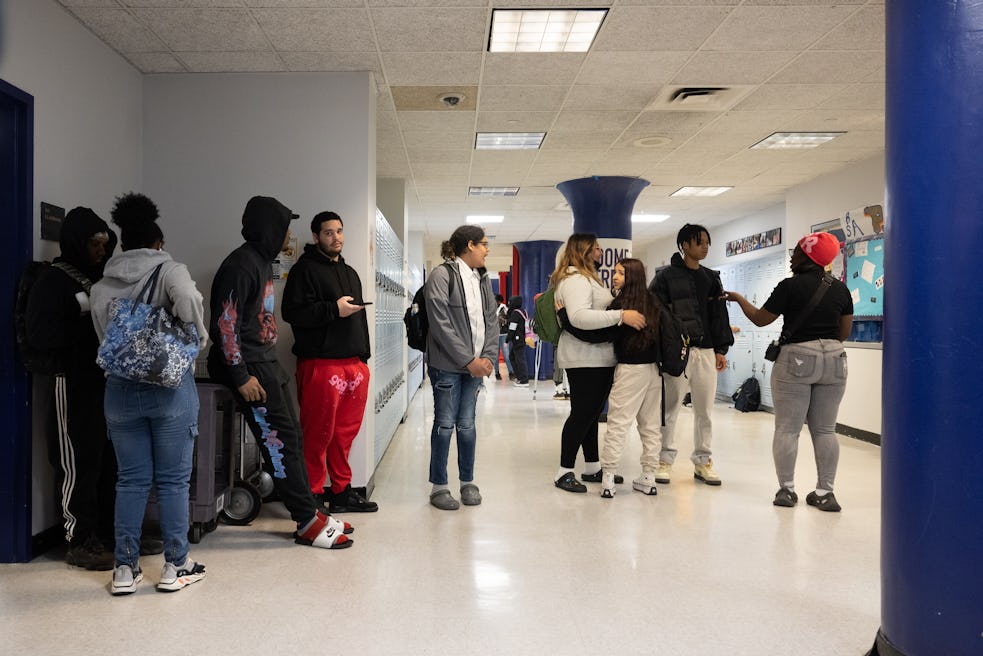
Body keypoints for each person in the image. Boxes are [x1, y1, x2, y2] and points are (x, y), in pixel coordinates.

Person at [207, 196, 352, 549]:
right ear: (270, 229)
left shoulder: (259, 262)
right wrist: (240, 375)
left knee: (293, 438)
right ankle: (305, 521)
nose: (289, 235)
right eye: (285, 228)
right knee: (279, 442)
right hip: (249, 365)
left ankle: (311, 511)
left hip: (264, 360)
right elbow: (225, 325)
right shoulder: (241, 265)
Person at [90, 192, 209, 595]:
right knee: (174, 481)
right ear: (158, 242)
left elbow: (104, 338)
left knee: (130, 480)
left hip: (120, 391)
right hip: (169, 390)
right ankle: (176, 565)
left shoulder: (103, 283)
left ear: (123, 244)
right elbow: (190, 301)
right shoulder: (170, 270)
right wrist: (197, 340)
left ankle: (125, 569)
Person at [724, 232, 852, 511]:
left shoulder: (789, 286)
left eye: (796, 252)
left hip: (797, 358)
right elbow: (844, 332)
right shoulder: (840, 290)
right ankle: (825, 492)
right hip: (834, 360)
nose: (791, 257)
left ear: (807, 256)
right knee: (826, 430)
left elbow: (760, 319)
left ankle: (787, 490)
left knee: (787, 429)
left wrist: (738, 299)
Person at [25, 207, 119, 570]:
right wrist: (86, 332)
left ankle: (109, 533)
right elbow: (40, 335)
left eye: (105, 242)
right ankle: (79, 539)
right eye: (94, 242)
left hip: (102, 384)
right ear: (77, 242)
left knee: (106, 462)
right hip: (72, 383)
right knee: (75, 463)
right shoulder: (53, 281)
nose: (101, 249)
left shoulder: (100, 279)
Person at [282, 211, 377, 513]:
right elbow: (292, 314)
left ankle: (340, 492)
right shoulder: (304, 271)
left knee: (344, 435)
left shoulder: (350, 273)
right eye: (328, 233)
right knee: (317, 435)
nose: (336, 237)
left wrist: (364, 357)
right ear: (315, 236)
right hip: (321, 365)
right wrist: (332, 310)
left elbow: (360, 319)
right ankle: (311, 497)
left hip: (353, 365)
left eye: (339, 231)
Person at [559, 258, 663, 498]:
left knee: (618, 423)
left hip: (629, 370)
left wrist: (565, 318)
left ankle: (608, 478)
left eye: (621, 273)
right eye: (615, 272)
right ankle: (649, 476)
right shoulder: (654, 302)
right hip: (654, 371)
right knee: (650, 425)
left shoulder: (622, 306)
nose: (615, 277)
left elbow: (598, 337)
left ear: (632, 278)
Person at [550, 234, 645, 493]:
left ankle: (592, 467)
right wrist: (621, 315)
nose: (601, 251)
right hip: (585, 358)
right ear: (584, 251)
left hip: (595, 357)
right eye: (596, 248)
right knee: (581, 415)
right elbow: (579, 317)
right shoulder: (576, 279)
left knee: (590, 415)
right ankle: (564, 472)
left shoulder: (586, 278)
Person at [650, 223, 734, 486]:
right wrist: (662, 351)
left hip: (706, 351)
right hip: (678, 352)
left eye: (707, 242)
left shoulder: (711, 277)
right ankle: (664, 460)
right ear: (685, 245)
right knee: (671, 408)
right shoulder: (665, 278)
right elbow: (655, 314)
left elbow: (719, 315)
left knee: (705, 410)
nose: (705, 246)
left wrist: (721, 349)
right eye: (700, 242)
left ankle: (703, 461)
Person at [424, 225, 498, 510]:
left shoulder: (481, 278)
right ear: (469, 245)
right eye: (483, 244)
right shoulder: (442, 275)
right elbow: (440, 323)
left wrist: (488, 357)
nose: (486, 249)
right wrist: (469, 361)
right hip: (448, 366)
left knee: (467, 425)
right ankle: (439, 486)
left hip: (477, 366)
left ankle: (467, 481)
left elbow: (491, 320)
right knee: (445, 424)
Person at [505, 295, 530, 387]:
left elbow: (512, 327)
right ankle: (520, 377)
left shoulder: (515, 313)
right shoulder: (523, 311)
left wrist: (507, 340)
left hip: (518, 340)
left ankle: (524, 380)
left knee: (520, 359)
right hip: (522, 338)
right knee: (513, 357)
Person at [495, 294, 513, 381]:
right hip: (495, 335)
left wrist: (502, 320)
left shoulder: (504, 309)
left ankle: (511, 372)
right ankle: (496, 373)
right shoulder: (492, 309)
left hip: (503, 334)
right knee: (495, 356)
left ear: (498, 301)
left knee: (506, 355)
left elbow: (508, 321)